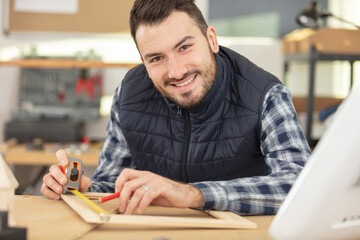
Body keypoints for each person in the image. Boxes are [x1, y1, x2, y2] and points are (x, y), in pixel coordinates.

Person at [41, 0, 310, 216]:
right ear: (143, 62)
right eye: (156, 58)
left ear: (211, 39)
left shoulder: (265, 94)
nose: (176, 71)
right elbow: (113, 184)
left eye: (184, 47)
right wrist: (85, 188)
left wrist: (192, 194)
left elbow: (300, 184)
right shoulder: (129, 94)